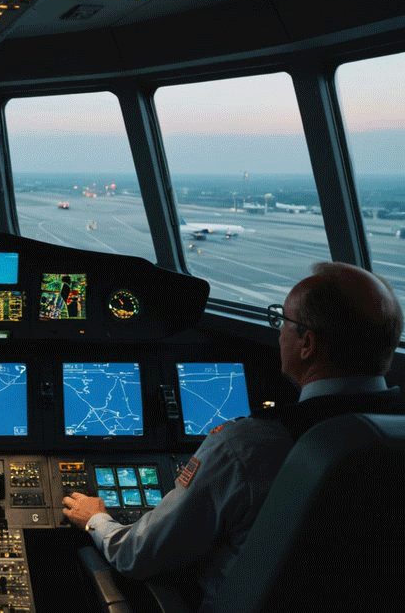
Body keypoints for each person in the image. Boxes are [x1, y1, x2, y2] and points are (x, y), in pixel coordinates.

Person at [62, 261, 402, 610]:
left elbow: (139, 554)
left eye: (284, 321)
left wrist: (96, 520)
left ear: (307, 344)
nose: (279, 331)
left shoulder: (247, 445)